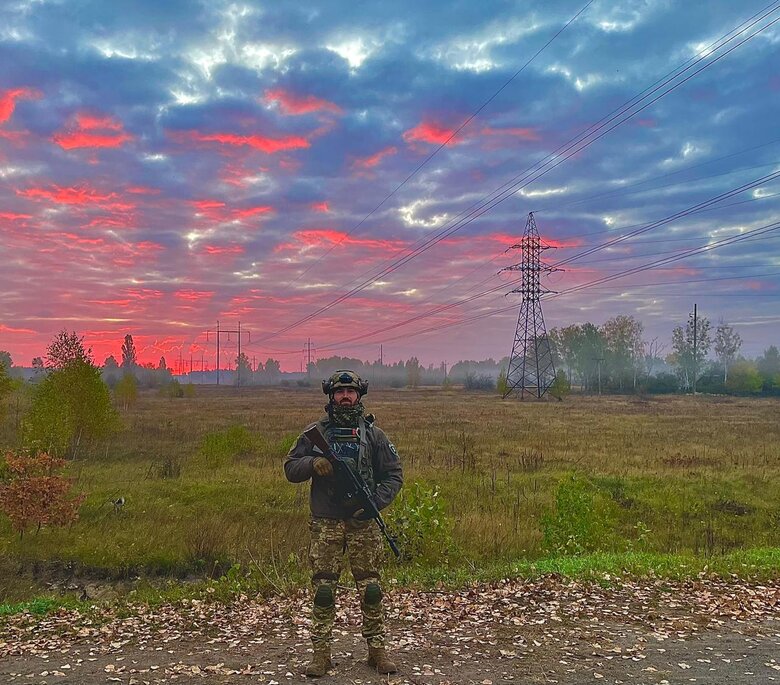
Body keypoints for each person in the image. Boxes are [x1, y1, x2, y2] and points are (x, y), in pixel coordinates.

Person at [284, 370, 403, 678]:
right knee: (324, 590)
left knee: (372, 589)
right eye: (340, 392)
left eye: (351, 392)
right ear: (331, 397)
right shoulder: (316, 433)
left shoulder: (373, 434)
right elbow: (290, 467)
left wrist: (374, 503)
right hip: (327, 523)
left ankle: (377, 651)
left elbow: (393, 475)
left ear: (359, 396)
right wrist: (313, 463)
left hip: (363, 523)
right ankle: (321, 654)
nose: (346, 396)